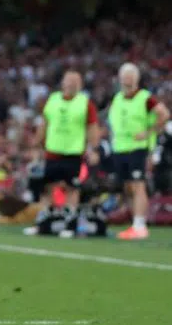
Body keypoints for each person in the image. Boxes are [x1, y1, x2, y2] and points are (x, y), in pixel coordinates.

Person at [26, 70, 98, 237]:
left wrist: (93, 149)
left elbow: (92, 128)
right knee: (46, 188)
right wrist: (37, 144)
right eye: (69, 81)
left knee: (72, 189)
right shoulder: (53, 100)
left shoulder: (85, 104)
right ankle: (44, 223)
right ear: (63, 83)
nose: (71, 84)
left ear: (80, 85)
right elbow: (44, 123)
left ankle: (70, 225)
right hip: (53, 152)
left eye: (75, 82)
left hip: (73, 153)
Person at [107, 63, 169, 241]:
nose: (127, 79)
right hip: (120, 147)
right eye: (125, 76)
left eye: (130, 75)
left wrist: (149, 132)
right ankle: (134, 222)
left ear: (137, 78)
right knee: (127, 187)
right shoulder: (117, 98)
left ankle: (140, 224)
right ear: (120, 79)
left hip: (138, 148)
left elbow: (163, 114)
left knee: (138, 184)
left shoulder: (145, 98)